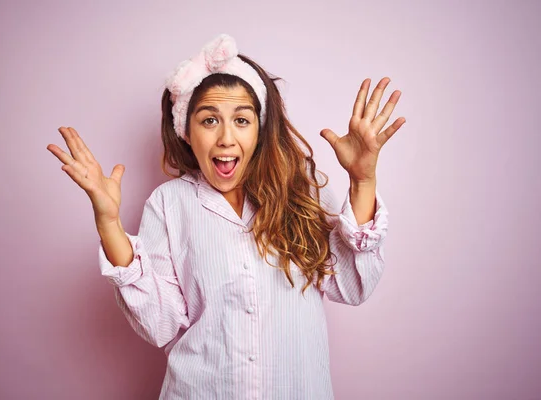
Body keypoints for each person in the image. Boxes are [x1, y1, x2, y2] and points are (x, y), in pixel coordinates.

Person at [47, 33, 405, 399]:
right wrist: (109, 225)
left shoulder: (302, 189)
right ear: (186, 131)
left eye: (242, 120)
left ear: (261, 129)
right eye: (209, 121)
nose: (226, 139)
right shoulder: (169, 204)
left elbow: (352, 285)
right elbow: (160, 323)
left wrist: (362, 181)